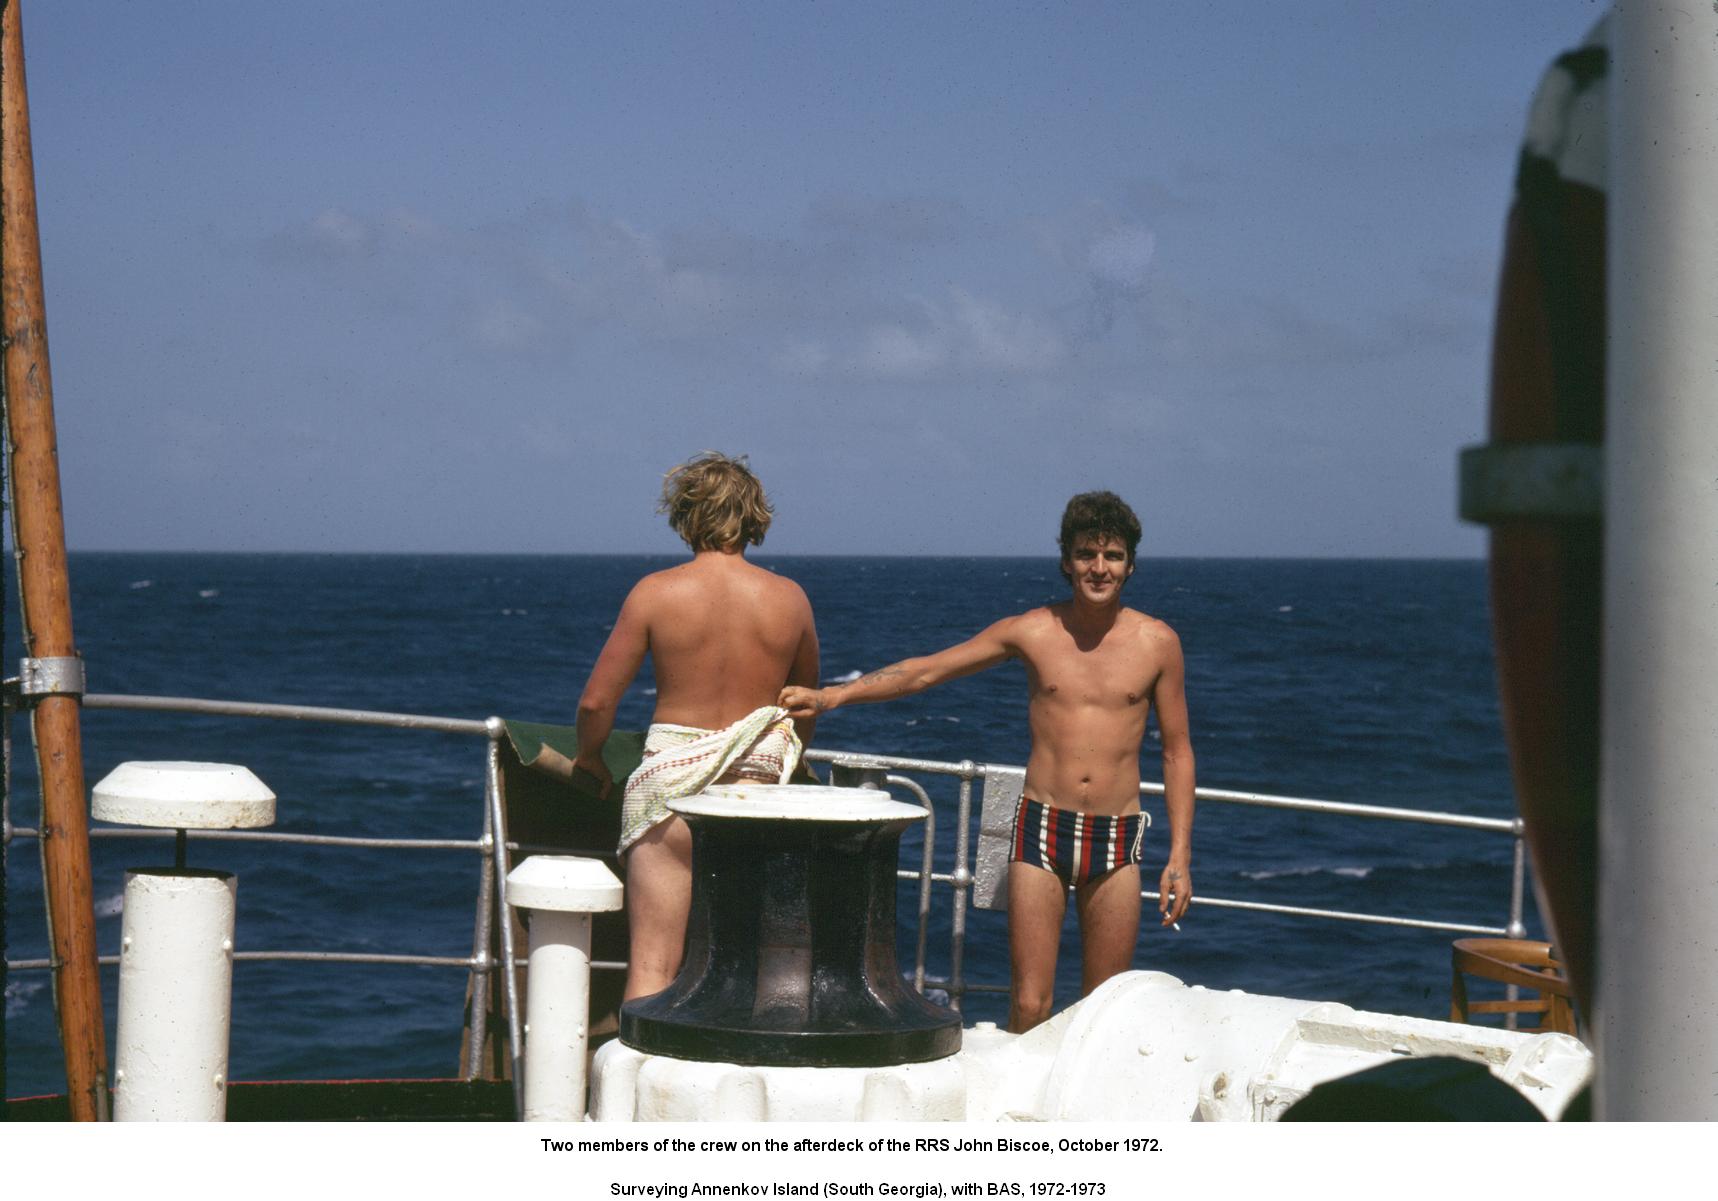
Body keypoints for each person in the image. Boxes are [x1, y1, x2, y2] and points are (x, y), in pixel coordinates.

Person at [779, 491, 1192, 1032]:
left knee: (1103, 1015)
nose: (1099, 568)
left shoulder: (1158, 642)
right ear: (1066, 560)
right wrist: (831, 697)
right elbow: (926, 671)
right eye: (1087, 555)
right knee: (1028, 1006)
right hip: (1041, 826)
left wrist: (1179, 855)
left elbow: (1176, 751)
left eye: (1112, 556)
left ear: (1130, 565)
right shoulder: (1033, 631)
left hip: (1116, 835)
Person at [573, 452, 820, 1001]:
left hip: (670, 793)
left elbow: (596, 704)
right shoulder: (790, 600)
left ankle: (636, 1088)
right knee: (748, 970)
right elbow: (805, 707)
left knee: (653, 965)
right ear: (755, 516)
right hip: (754, 790)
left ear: (685, 516)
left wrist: (589, 758)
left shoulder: (655, 593)